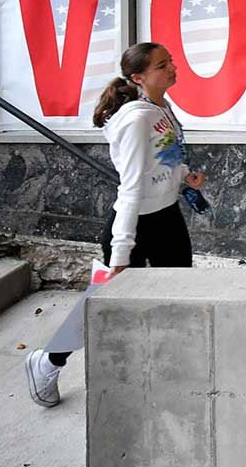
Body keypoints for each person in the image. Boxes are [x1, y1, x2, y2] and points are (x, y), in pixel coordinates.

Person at [25, 43, 205, 407]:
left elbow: (161, 161)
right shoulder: (137, 118)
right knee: (105, 305)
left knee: (179, 294)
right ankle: (48, 360)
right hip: (135, 225)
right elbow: (132, 184)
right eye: (161, 65)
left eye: (169, 61)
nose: (172, 68)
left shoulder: (160, 108)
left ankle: (166, 372)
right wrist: (123, 249)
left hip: (167, 217)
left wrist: (184, 176)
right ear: (138, 77)